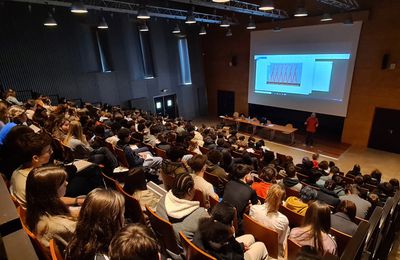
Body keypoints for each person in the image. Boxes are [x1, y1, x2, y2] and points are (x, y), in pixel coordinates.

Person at [194, 202, 268, 260]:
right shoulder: (230, 255)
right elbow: (240, 257)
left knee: (250, 237)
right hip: (229, 255)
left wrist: (240, 245)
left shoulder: (200, 231)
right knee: (261, 245)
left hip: (212, 253)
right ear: (230, 226)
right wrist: (231, 236)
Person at [65, 188, 125, 260]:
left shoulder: (79, 238)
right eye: (122, 214)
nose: (123, 217)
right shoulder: (102, 257)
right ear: (111, 222)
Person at [25, 166, 76, 248]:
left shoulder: (35, 210)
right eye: (62, 182)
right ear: (50, 190)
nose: (66, 183)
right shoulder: (65, 227)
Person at [156, 173, 209, 240]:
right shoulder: (201, 214)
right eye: (194, 188)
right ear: (189, 191)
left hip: (165, 242)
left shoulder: (162, 200)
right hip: (185, 249)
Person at [250, 184, 289, 257]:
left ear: (267, 193)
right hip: (271, 252)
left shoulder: (253, 209)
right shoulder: (283, 220)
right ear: (282, 201)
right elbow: (280, 242)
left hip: (253, 242)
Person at [223, 164, 259, 232]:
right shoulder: (251, 190)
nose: (251, 176)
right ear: (246, 176)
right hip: (234, 223)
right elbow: (256, 206)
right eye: (250, 174)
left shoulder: (229, 183)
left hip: (222, 213)